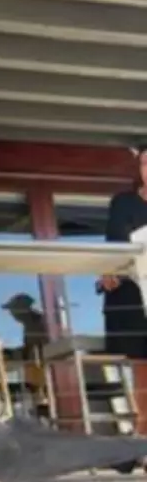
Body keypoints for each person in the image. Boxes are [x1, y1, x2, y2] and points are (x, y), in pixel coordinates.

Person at [97, 144, 147, 443]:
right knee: (142, 365)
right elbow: (114, 244)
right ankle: (144, 435)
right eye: (144, 163)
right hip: (131, 294)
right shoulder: (123, 202)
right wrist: (108, 270)